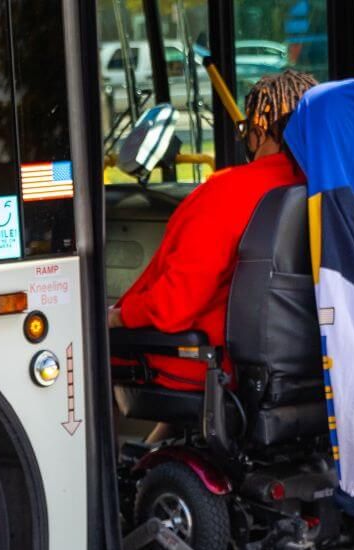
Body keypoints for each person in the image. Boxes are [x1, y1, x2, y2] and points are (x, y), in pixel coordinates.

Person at [109, 69, 318, 393]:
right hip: (298, 365)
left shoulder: (227, 192)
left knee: (86, 353)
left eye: (246, 128)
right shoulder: (326, 189)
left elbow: (171, 307)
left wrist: (117, 318)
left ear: (258, 129)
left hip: (208, 365)